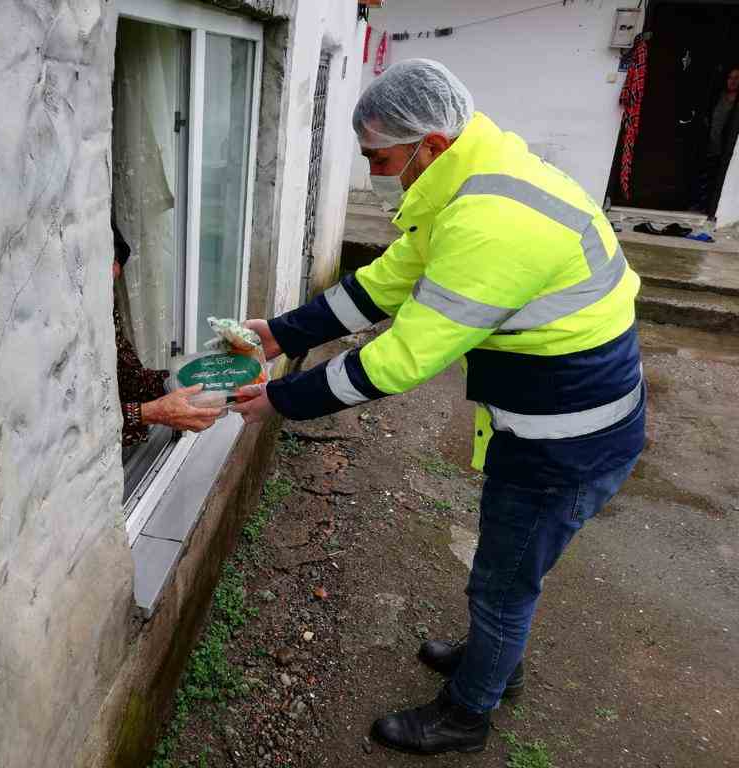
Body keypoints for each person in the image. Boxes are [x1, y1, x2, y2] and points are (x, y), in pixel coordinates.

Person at [233, 59, 645, 756]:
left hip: (565, 444)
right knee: (506, 572)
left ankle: (468, 711)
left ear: (432, 143)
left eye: (382, 157)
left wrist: (276, 398)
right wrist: (281, 334)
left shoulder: (492, 224)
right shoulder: (473, 179)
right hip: (553, 421)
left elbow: (399, 358)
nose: (377, 172)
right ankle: (494, 661)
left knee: (503, 582)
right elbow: (387, 282)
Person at [112, 217, 220, 446]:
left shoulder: (104, 312)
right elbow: (76, 430)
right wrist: (151, 412)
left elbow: (130, 378)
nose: (116, 273)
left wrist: (195, 380)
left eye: (117, 263)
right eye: (109, 260)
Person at [692, 66, 739, 214]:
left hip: (725, 149)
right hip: (710, 144)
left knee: (716, 179)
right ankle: (696, 204)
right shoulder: (718, 97)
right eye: (730, 78)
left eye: (737, 78)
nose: (733, 81)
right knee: (702, 177)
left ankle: (710, 209)